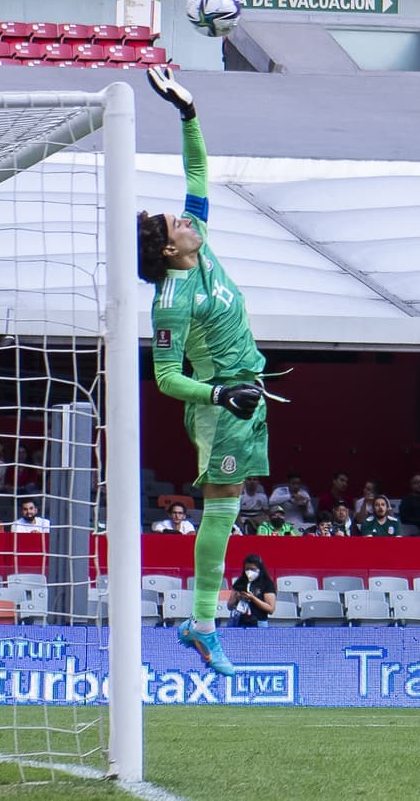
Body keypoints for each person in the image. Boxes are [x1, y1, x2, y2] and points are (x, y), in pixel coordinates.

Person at [138, 65, 274, 677]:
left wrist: (188, 112)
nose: (186, 219)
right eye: (176, 224)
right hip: (221, 404)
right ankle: (202, 621)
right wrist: (220, 392)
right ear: (169, 249)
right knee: (220, 507)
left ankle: (201, 621)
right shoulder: (170, 298)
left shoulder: (203, 243)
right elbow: (166, 378)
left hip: (250, 391)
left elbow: (198, 172)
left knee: (230, 507)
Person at [228, 553, 277, 627]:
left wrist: (253, 598)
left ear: (259, 569)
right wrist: (236, 597)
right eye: (247, 569)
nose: (249, 572)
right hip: (239, 622)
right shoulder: (240, 582)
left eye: (253, 569)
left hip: (259, 622)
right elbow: (229, 606)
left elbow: (271, 609)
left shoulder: (267, 583)